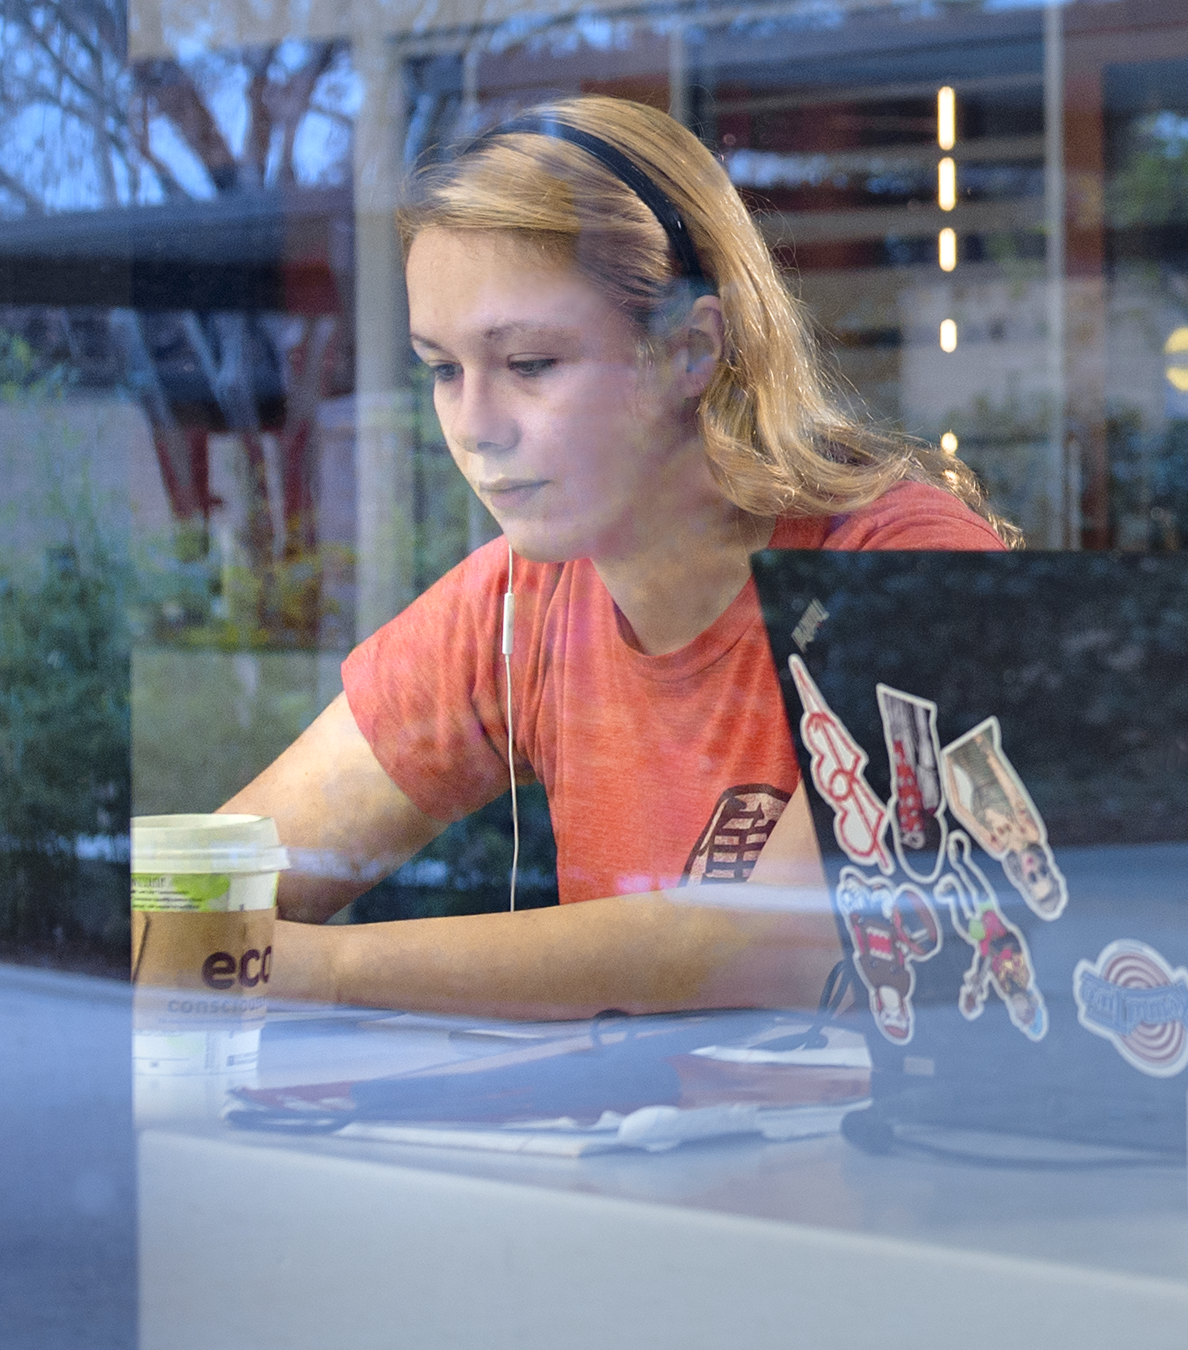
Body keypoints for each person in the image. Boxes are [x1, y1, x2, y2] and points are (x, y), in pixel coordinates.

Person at [226, 98, 1009, 1017]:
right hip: (638, 1154)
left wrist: (300, 969)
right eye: (443, 369)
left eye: (528, 363)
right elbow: (209, 886)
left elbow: (774, 945)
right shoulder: (519, 601)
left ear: (688, 350)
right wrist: (212, 940)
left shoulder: (907, 559)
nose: (474, 427)